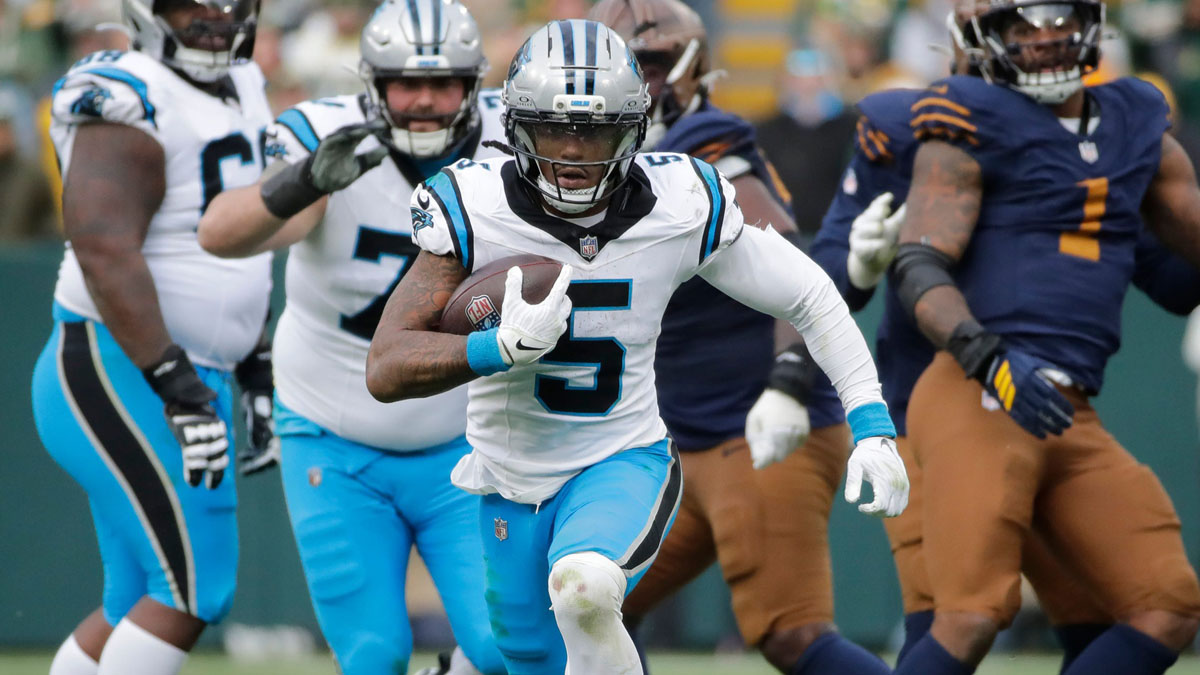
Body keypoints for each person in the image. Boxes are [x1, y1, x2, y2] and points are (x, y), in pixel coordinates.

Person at [363, 18, 909, 675]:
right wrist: (495, 349)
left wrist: (872, 423)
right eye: (554, 128)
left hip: (622, 460)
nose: (571, 151)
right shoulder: (471, 205)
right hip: (508, 478)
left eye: (594, 131)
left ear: (634, 128)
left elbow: (808, 295)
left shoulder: (678, 201)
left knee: (586, 587)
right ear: (514, 127)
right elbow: (386, 364)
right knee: (527, 656)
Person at [886, 1, 1200, 673]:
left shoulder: (1132, 119)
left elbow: (1184, 263)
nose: (1047, 38)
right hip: (979, 392)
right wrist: (987, 355)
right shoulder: (966, 119)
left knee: (1166, 601)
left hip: (1068, 409)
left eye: (1058, 19)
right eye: (1021, 27)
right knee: (971, 615)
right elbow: (917, 265)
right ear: (983, 40)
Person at [196, 1, 507, 674]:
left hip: (467, 438)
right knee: (374, 654)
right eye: (405, 83)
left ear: (473, 82)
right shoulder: (323, 133)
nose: (424, 101)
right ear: (372, 83)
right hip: (333, 434)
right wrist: (302, 181)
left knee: (504, 648)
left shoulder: (513, 139)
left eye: (444, 82)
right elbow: (221, 233)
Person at [585, 1, 891, 673]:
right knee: (585, 602)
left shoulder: (705, 138)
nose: (634, 80)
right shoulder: (593, 160)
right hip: (679, 442)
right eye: (618, 64)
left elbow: (784, 256)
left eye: (652, 64)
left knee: (791, 633)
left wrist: (788, 377)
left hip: (755, 426)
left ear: (695, 69)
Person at [30, 0, 279, 673]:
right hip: (122, 366)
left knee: (132, 598)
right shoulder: (124, 90)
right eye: (188, 3)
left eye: (227, 2)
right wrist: (179, 386)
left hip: (185, 370)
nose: (212, 18)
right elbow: (103, 247)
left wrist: (253, 365)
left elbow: (240, 247)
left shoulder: (247, 84)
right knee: (196, 587)